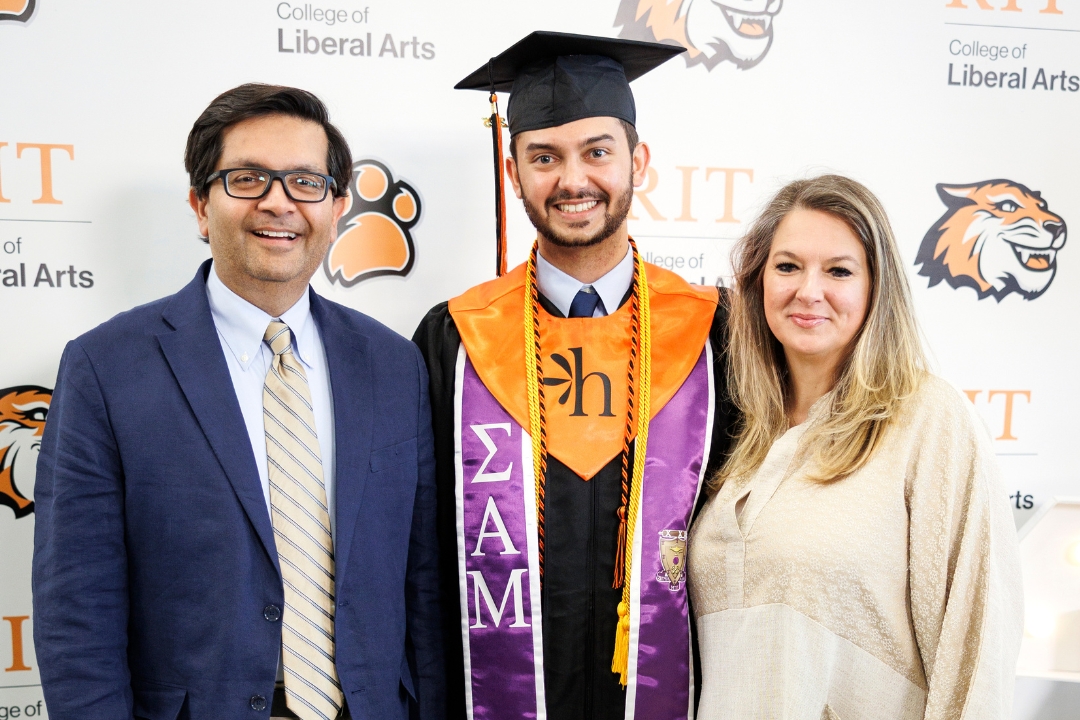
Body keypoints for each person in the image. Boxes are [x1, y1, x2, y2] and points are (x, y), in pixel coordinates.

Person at [32, 84, 443, 720]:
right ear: (201, 206)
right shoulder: (105, 368)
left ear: (336, 208)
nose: (279, 202)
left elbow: (423, 584)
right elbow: (76, 611)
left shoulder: (393, 365)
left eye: (307, 182)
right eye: (248, 178)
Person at [412, 32, 736, 720]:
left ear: (637, 162)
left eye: (597, 151)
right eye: (544, 157)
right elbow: (423, 561)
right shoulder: (455, 339)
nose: (573, 180)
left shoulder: (716, 333)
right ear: (514, 172)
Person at [687, 175, 1024, 719]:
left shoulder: (927, 419)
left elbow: (977, 643)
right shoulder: (737, 432)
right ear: (758, 281)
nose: (808, 290)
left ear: (876, 287)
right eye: (787, 266)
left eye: (838, 270)